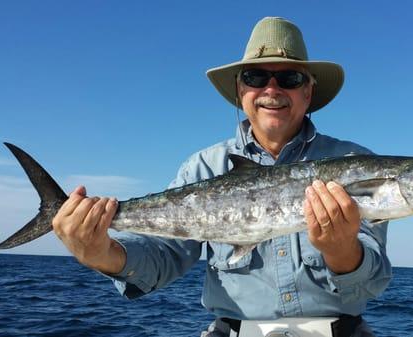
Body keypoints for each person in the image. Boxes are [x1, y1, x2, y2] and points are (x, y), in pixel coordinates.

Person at [52, 17, 392, 337]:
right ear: (240, 90)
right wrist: (101, 253)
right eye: (256, 78)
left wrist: (341, 250)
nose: (271, 89)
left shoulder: (355, 163)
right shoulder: (204, 165)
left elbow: (372, 283)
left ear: (308, 92)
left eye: (289, 78)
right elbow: (165, 256)